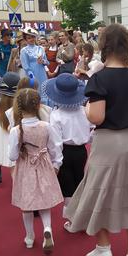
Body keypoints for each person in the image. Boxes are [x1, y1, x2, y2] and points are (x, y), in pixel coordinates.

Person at [65, 24, 128, 256]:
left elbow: (96, 117)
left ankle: (104, 246)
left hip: (108, 142)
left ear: (103, 46)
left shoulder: (100, 78)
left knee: (99, 192)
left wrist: (84, 109)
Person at [8, 88, 63, 253]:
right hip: (44, 165)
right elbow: (56, 147)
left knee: (27, 205)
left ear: (18, 108)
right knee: (44, 201)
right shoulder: (46, 126)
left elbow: (12, 156)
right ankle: (47, 229)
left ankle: (30, 237)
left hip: (25, 169)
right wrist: (56, 165)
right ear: (39, 105)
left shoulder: (15, 131)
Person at [41, 73, 93, 223]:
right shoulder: (84, 111)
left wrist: (56, 162)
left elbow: (55, 142)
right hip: (81, 150)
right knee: (80, 181)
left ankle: (72, 219)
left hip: (65, 151)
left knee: (68, 186)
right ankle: (81, 215)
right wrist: (87, 137)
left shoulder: (56, 115)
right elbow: (94, 128)